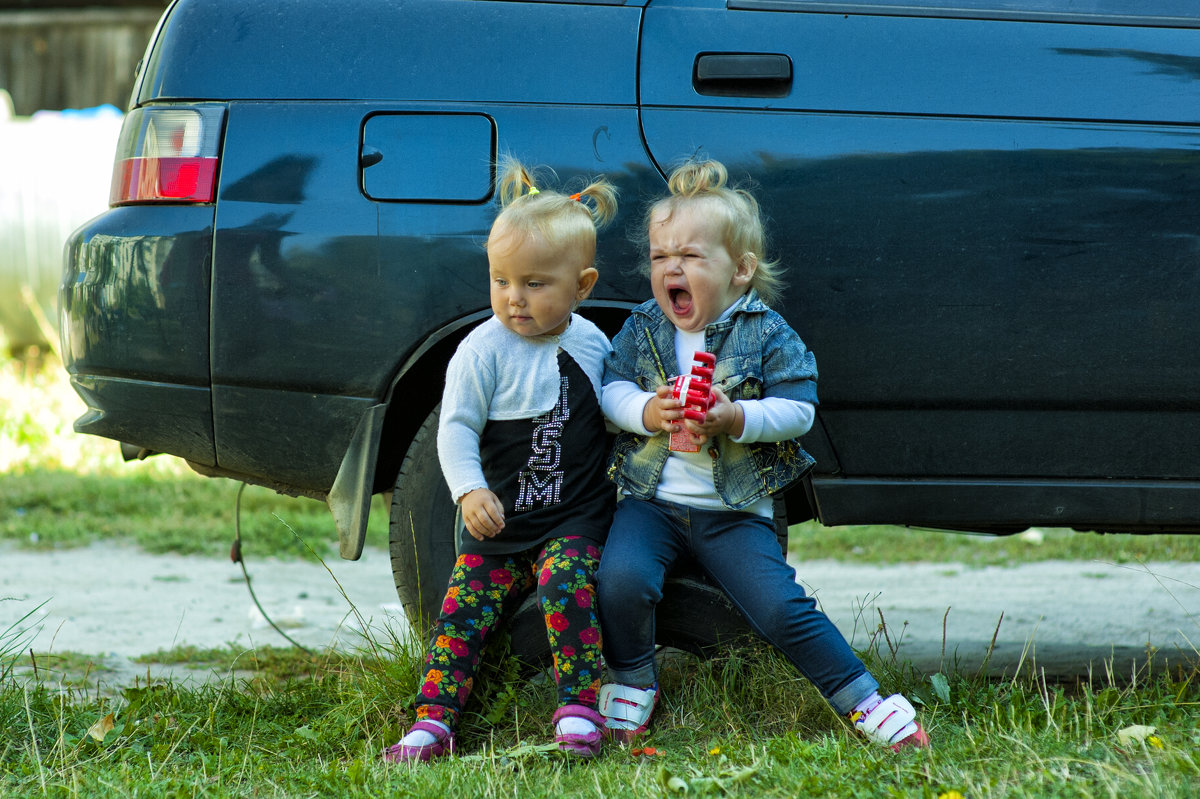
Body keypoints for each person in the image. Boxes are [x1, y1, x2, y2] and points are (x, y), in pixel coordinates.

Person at [595, 159, 929, 751]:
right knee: (621, 579)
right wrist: (646, 411)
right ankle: (631, 682)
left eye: (691, 256)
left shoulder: (766, 333)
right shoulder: (644, 327)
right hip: (652, 504)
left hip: (736, 512)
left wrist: (736, 418)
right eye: (658, 256)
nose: (671, 267)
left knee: (778, 609)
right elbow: (611, 389)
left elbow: (799, 411)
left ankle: (866, 702)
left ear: (741, 270)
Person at [384, 159, 619, 763]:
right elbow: (456, 428)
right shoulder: (481, 350)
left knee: (566, 586)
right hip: (500, 523)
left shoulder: (592, 345)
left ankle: (579, 709)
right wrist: (468, 490)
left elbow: (615, 411)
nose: (514, 299)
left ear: (583, 286)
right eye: (500, 280)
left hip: (574, 517)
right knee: (462, 612)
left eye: (535, 284)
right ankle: (433, 722)